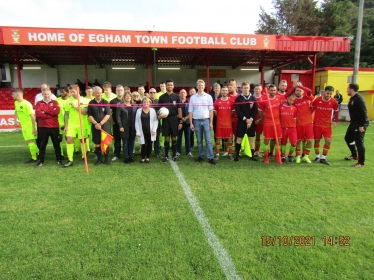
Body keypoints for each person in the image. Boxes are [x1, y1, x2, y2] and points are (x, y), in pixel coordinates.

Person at [189, 79, 216, 165]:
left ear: (204, 86)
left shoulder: (208, 97)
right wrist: (191, 123)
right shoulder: (193, 98)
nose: (200, 87)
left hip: (206, 121)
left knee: (208, 141)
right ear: (197, 87)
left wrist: (211, 122)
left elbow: (211, 110)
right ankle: (201, 156)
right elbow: (190, 111)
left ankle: (210, 157)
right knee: (199, 141)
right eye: (199, 85)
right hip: (196, 121)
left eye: (202, 85)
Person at [311, 86, 339, 165]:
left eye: (330, 94)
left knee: (328, 141)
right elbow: (311, 108)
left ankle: (323, 158)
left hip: (327, 125)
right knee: (317, 141)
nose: (329, 95)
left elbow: (336, 111)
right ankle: (317, 156)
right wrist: (308, 118)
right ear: (324, 92)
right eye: (327, 93)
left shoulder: (333, 101)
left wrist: (335, 120)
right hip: (317, 125)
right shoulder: (317, 100)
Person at [35, 89, 63, 167]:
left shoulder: (55, 102)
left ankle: (59, 159)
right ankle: (41, 160)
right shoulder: (39, 103)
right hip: (43, 127)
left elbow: (56, 112)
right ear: (42, 95)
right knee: (42, 145)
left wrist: (45, 112)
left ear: (50, 94)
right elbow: (38, 114)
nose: (47, 96)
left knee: (56, 144)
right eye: (45, 94)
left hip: (54, 126)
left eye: (48, 94)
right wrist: (50, 113)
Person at [63, 84, 89, 167]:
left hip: (82, 124)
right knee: (69, 140)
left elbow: (85, 113)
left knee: (83, 141)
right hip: (71, 124)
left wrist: (75, 107)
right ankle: (70, 159)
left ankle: (84, 157)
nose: (72, 93)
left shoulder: (85, 100)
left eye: (73, 91)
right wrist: (66, 125)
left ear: (78, 90)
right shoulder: (68, 101)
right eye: (70, 92)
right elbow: (66, 114)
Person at [344, 83, 369, 167]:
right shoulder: (352, 98)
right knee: (348, 138)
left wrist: (363, 125)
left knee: (359, 143)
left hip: (359, 124)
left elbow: (364, 112)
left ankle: (361, 163)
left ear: (351, 89)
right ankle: (354, 155)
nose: (346, 90)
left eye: (347, 88)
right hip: (353, 123)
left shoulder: (359, 99)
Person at [158, 79, 182, 162]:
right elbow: (158, 110)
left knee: (174, 137)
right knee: (167, 137)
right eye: (168, 85)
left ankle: (175, 155)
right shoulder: (162, 97)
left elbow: (179, 110)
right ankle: (166, 156)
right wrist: (160, 115)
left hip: (174, 119)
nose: (170, 86)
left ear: (173, 86)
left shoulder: (177, 97)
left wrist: (180, 122)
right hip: (165, 119)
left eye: (171, 85)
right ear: (166, 86)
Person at [290, 80, 314, 164]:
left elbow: (310, 91)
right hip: (298, 124)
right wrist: (295, 86)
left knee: (310, 141)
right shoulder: (293, 100)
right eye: (297, 90)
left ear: (302, 91)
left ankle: (306, 156)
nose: (298, 91)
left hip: (308, 123)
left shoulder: (306, 97)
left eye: (300, 90)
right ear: (295, 91)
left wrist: (299, 86)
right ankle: (298, 157)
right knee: (298, 141)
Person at [258, 84, 282, 164]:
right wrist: (262, 118)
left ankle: (277, 157)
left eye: (274, 90)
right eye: (271, 90)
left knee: (278, 140)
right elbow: (260, 110)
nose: (273, 92)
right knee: (266, 140)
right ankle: (266, 157)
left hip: (277, 122)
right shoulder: (264, 99)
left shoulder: (279, 98)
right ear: (268, 91)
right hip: (268, 122)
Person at [12, 89, 39, 163]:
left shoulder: (27, 104)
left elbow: (32, 117)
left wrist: (34, 128)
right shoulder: (16, 103)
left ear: (17, 95)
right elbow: (16, 111)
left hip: (30, 126)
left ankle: (34, 158)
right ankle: (39, 154)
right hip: (24, 126)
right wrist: (15, 120)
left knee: (29, 142)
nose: (12, 96)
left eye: (13, 94)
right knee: (28, 142)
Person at [234, 81, 258, 162]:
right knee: (239, 138)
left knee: (251, 138)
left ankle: (252, 155)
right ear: (241, 88)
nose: (246, 89)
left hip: (251, 122)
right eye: (244, 88)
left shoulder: (253, 98)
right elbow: (238, 111)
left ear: (249, 88)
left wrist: (250, 119)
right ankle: (237, 155)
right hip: (242, 121)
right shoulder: (238, 98)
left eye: (247, 88)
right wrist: (245, 119)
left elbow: (255, 110)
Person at [87, 86, 111, 165]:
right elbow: (89, 115)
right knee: (97, 143)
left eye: (100, 93)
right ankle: (99, 159)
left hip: (105, 125)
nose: (99, 94)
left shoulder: (106, 102)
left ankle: (106, 160)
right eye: (97, 93)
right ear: (94, 93)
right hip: (95, 126)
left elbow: (108, 115)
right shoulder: (91, 103)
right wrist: (96, 124)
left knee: (106, 142)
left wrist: (100, 123)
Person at [135, 97, 159, 163]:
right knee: (144, 144)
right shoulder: (139, 110)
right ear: (142, 103)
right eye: (144, 102)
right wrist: (138, 132)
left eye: (147, 102)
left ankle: (147, 157)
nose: (146, 103)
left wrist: (154, 130)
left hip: (150, 131)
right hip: (142, 130)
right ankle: (143, 157)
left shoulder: (153, 110)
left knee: (150, 144)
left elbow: (156, 121)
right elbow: (136, 122)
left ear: (150, 103)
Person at [213, 85, 233, 160]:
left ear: (228, 91)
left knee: (230, 139)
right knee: (218, 139)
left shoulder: (231, 101)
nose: (224, 92)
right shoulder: (217, 101)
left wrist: (227, 118)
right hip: (219, 124)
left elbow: (233, 112)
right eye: (223, 90)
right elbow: (215, 113)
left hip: (228, 124)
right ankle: (217, 154)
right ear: (221, 91)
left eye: (226, 90)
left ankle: (230, 154)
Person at [116, 91, 136, 163]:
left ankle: (131, 156)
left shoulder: (134, 105)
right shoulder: (121, 106)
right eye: (127, 96)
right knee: (125, 143)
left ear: (131, 97)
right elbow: (118, 117)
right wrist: (120, 126)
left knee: (131, 142)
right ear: (124, 97)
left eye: (129, 96)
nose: (128, 97)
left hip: (133, 127)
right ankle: (126, 157)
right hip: (124, 127)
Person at [279, 91, 297, 162]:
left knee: (293, 143)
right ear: (287, 99)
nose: (291, 101)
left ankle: (290, 155)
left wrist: (294, 127)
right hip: (283, 128)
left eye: (293, 100)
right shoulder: (281, 107)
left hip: (292, 128)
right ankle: (283, 156)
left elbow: (295, 119)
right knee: (283, 143)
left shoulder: (294, 108)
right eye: (290, 100)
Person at [110, 85, 125, 161]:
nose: (120, 92)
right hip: (116, 124)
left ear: (123, 91)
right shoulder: (112, 101)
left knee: (126, 139)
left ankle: (127, 154)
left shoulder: (126, 100)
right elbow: (109, 113)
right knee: (117, 140)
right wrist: (112, 122)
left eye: (121, 90)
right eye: (118, 90)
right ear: (116, 92)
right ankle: (117, 154)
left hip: (125, 124)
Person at [177, 89, 193, 157]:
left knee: (188, 138)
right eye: (181, 93)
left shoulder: (189, 103)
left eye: (184, 93)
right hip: (179, 123)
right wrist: (180, 119)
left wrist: (185, 118)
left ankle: (188, 151)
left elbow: (191, 112)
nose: (183, 94)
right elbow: (175, 112)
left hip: (187, 122)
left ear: (186, 94)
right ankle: (178, 151)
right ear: (179, 94)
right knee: (179, 138)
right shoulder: (177, 103)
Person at [56, 87, 69, 159]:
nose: (61, 93)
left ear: (67, 92)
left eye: (63, 92)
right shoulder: (56, 100)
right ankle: (61, 154)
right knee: (59, 139)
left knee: (68, 139)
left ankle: (69, 153)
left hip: (68, 123)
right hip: (58, 123)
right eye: (60, 92)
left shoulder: (70, 101)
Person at [149, 88, 162, 158]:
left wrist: (159, 116)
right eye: (151, 92)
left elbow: (161, 111)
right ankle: (149, 152)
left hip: (157, 122)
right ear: (149, 93)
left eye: (154, 92)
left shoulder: (158, 101)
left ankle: (157, 153)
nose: (152, 94)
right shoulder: (146, 101)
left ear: (156, 93)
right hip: (147, 123)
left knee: (157, 138)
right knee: (149, 138)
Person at [253, 84, 264, 157]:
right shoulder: (251, 98)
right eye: (256, 89)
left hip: (261, 120)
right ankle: (251, 150)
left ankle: (257, 151)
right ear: (254, 90)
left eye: (259, 89)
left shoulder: (264, 98)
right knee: (250, 136)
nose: (257, 90)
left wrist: (260, 119)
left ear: (261, 89)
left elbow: (266, 110)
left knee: (258, 135)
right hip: (252, 119)